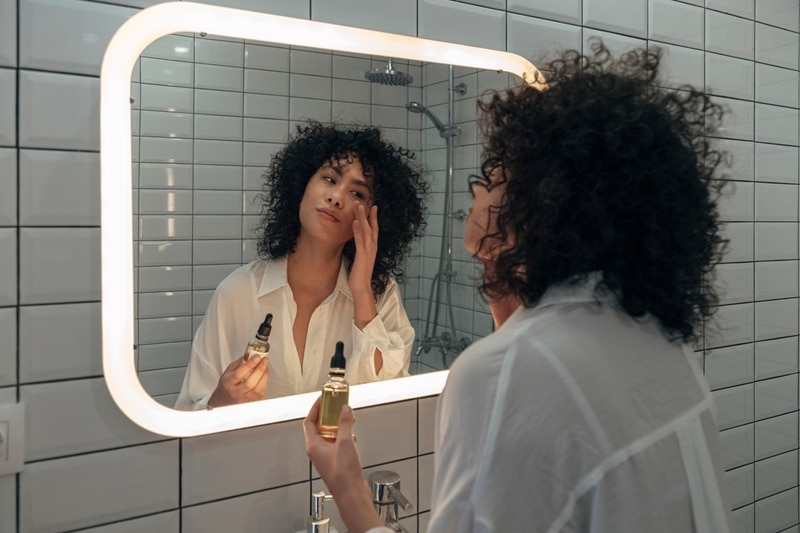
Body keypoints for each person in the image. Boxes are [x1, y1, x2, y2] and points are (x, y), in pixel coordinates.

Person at [304, 42, 733, 532]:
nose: (478, 185)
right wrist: (502, 283)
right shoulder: (660, 343)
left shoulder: (505, 374)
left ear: (544, 202)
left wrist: (348, 488)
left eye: (496, 173)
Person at [175, 122, 428, 410]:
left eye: (357, 194)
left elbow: (393, 402)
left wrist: (361, 292)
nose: (336, 197)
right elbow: (188, 411)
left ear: (374, 217)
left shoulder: (380, 294)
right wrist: (222, 399)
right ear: (302, 184)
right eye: (330, 179)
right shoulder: (237, 292)